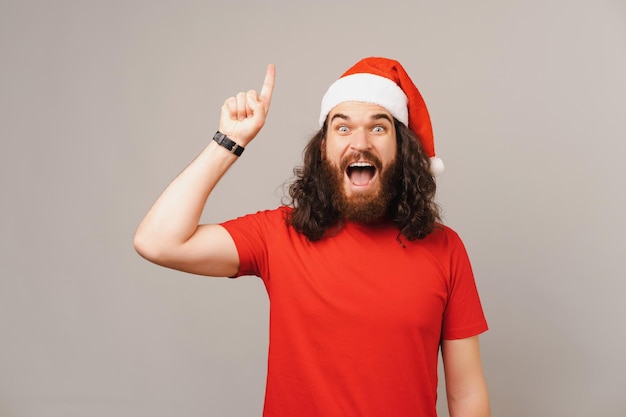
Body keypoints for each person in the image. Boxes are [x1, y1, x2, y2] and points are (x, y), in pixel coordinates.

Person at [134, 57, 491, 417]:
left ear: (402, 149)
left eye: (379, 128)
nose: (360, 143)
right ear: (323, 149)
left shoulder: (445, 248)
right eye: (343, 128)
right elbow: (157, 241)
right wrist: (230, 141)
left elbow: (467, 396)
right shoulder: (278, 235)